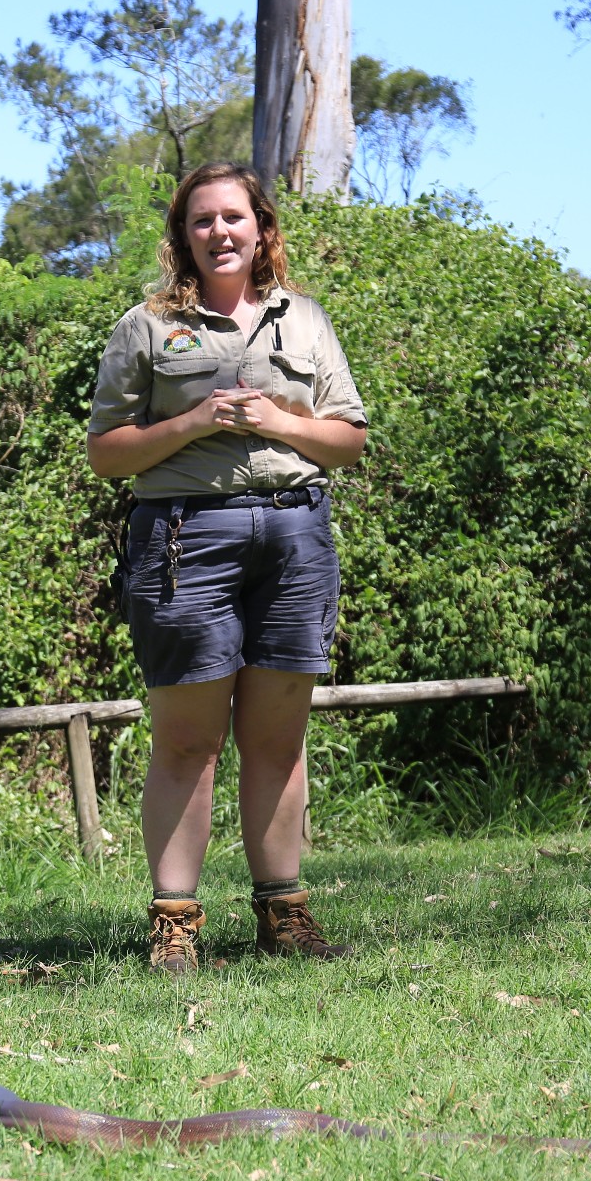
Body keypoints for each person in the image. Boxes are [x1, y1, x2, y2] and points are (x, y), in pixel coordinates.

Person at [86, 161, 369, 975]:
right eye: (202, 219)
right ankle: (174, 923)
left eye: (234, 217)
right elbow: (107, 454)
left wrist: (279, 419)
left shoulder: (305, 320)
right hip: (184, 540)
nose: (220, 232)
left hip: (295, 538)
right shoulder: (145, 327)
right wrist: (197, 420)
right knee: (187, 742)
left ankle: (284, 910)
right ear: (184, 235)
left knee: (279, 740)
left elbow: (348, 440)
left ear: (260, 228)